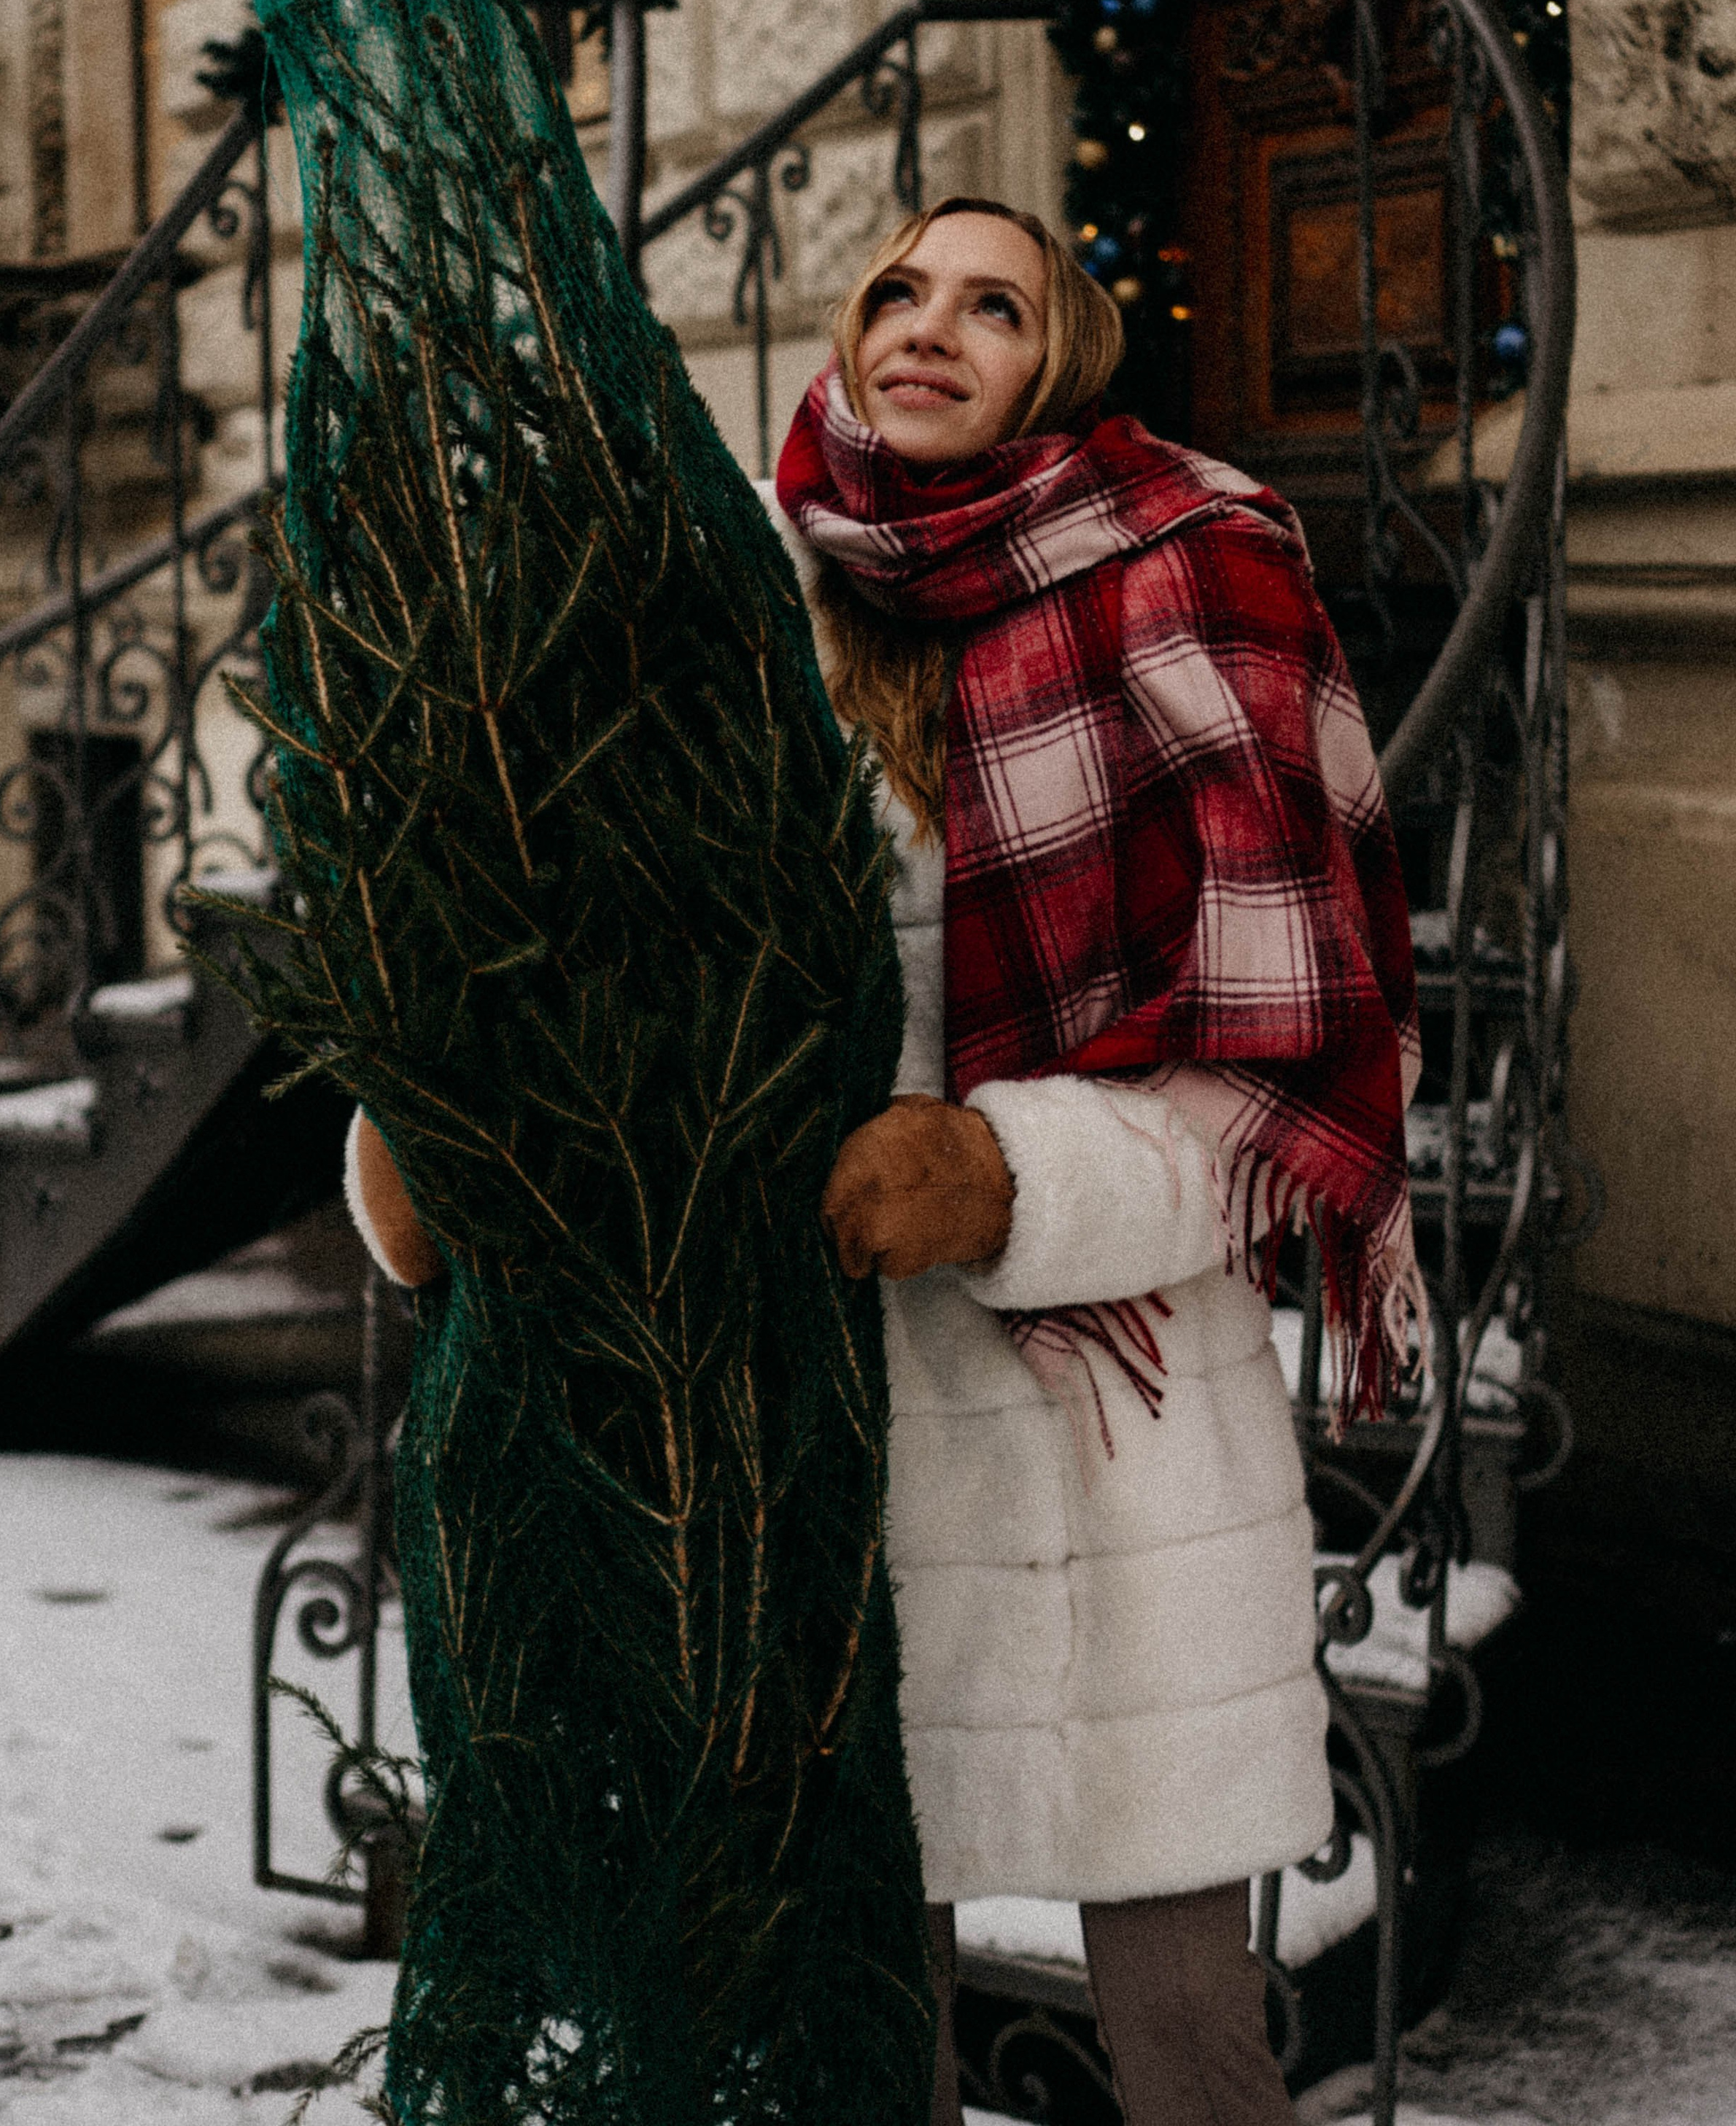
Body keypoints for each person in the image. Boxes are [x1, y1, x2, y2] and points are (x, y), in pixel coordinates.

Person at [349, 195, 1424, 2125]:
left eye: (994, 304)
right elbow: (583, 963)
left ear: (1063, 363)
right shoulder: (735, 607)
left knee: (1187, 2035)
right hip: (812, 1427)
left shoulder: (1194, 572)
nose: (932, 326)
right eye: (899, 290)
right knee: (859, 2033)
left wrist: (1014, 1175)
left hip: (1118, 1441)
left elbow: (1303, 1080)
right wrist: (453, 1139)